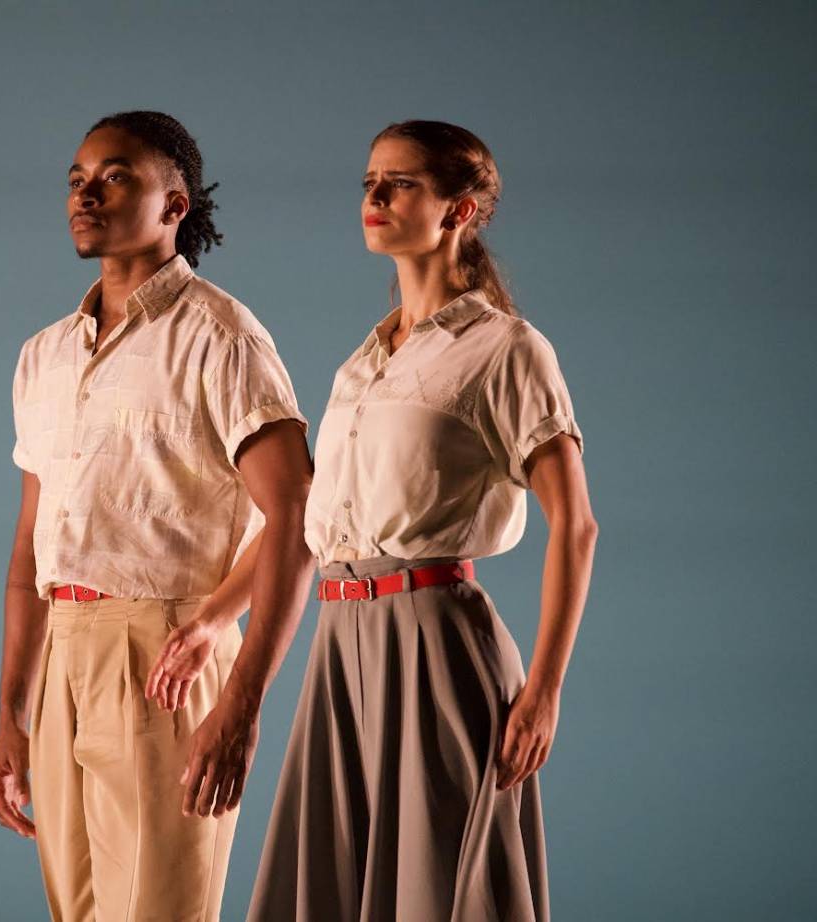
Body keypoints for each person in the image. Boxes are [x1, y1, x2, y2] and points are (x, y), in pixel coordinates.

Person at [247, 120, 598, 922]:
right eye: (370, 180)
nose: (374, 196)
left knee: (442, 889)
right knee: (332, 887)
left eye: (400, 183)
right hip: (338, 646)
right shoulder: (360, 365)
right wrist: (212, 621)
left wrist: (543, 692)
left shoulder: (508, 349)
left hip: (436, 643)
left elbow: (575, 526)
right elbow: (307, 522)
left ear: (459, 210)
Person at [0, 110, 316, 922]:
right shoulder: (45, 354)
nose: (85, 193)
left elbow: (299, 518)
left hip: (167, 655)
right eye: (76, 179)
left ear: (175, 205)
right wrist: (11, 720)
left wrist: (238, 699)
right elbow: (31, 553)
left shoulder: (220, 338)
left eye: (115, 176)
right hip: (64, 646)